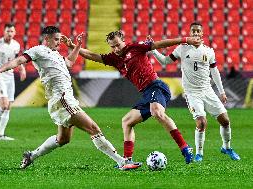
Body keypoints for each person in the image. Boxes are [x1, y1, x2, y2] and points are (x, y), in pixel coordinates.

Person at [0, 26, 141, 170]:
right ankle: (122, 162)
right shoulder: (38, 50)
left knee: (63, 139)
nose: (59, 43)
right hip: (62, 99)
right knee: (94, 128)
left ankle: (31, 155)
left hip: (65, 99)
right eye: (56, 39)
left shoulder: (55, 54)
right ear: (46, 38)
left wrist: (77, 46)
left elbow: (69, 62)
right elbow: (17, 61)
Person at [64, 30, 202, 164]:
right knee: (127, 122)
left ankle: (185, 147)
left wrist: (185, 40)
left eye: (118, 44)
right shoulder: (114, 58)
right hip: (146, 93)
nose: (116, 48)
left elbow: (159, 44)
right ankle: (127, 159)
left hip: (156, 86)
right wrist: (73, 46)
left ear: (123, 41)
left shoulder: (135, 48)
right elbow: (92, 55)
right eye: (112, 46)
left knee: (157, 112)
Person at [151, 22, 240, 162]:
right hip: (192, 93)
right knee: (201, 122)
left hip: (207, 90)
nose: (196, 33)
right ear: (190, 33)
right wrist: (153, 50)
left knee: (225, 121)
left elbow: (214, 72)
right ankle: (199, 153)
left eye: (198, 31)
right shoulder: (182, 48)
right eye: (193, 31)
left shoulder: (209, 51)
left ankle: (227, 147)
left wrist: (221, 92)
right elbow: (165, 61)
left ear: (202, 33)